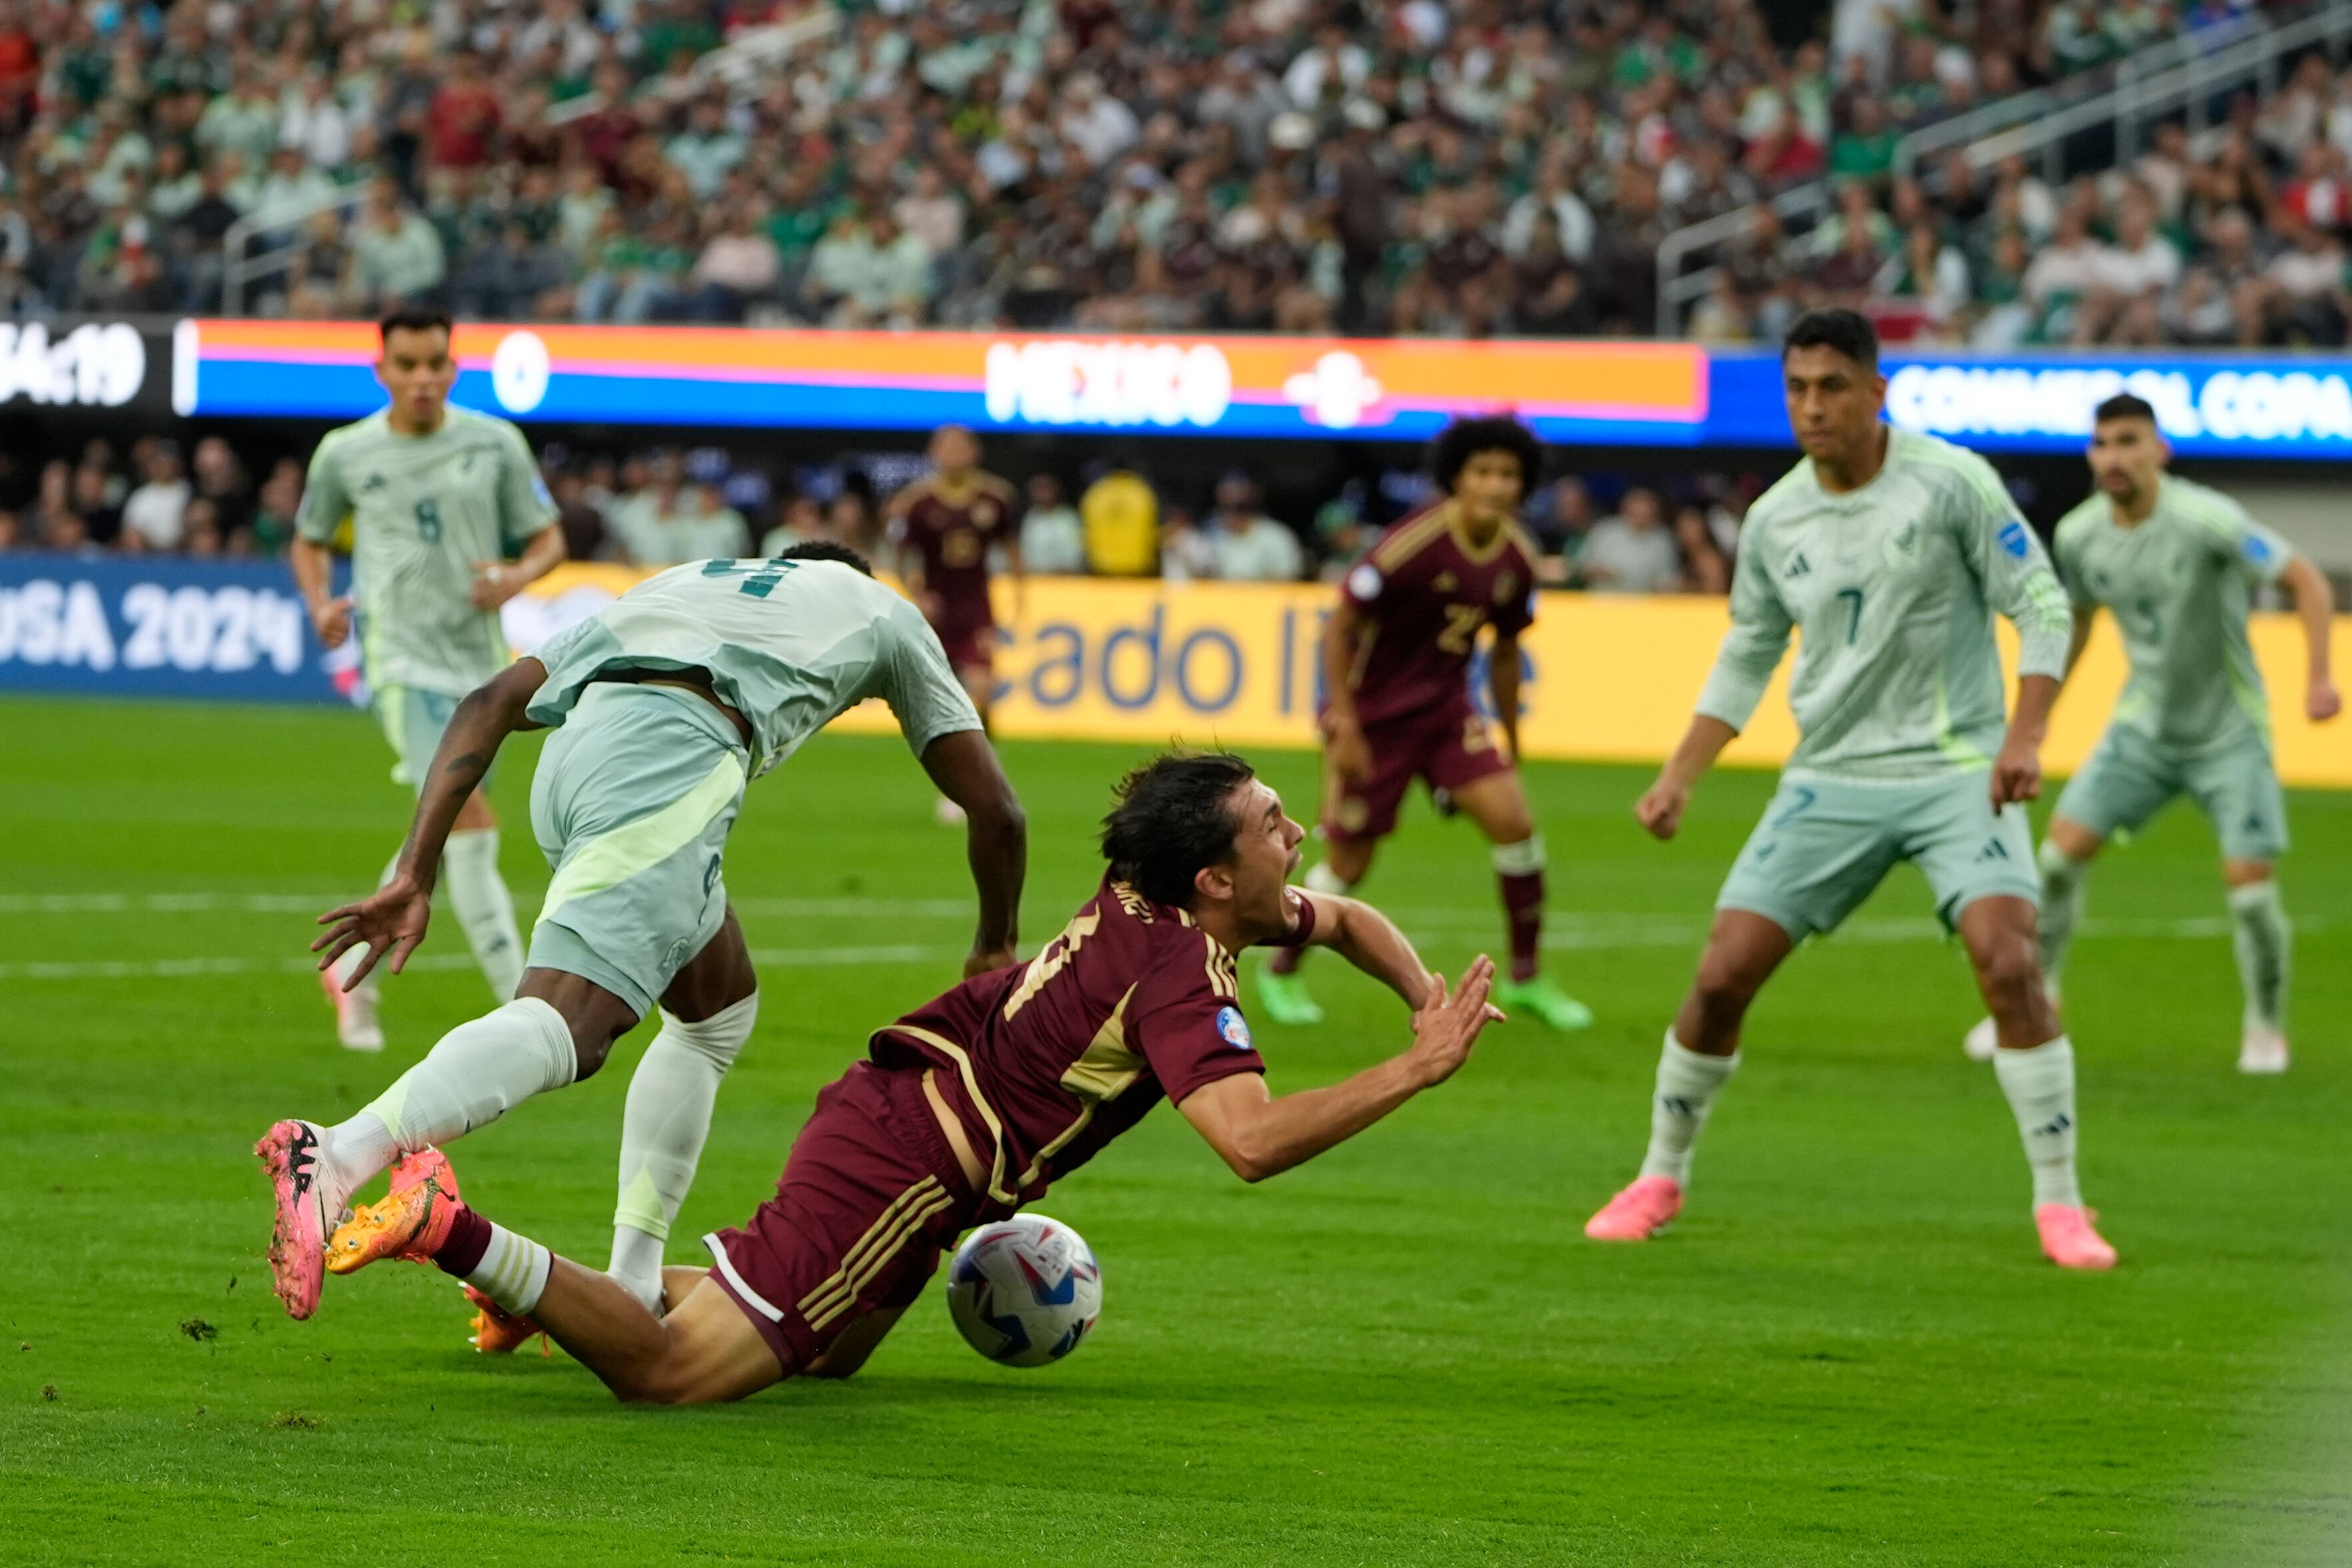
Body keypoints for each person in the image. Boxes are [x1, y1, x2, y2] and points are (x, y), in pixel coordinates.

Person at [312, 751, 1500, 1402]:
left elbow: (1336, 918)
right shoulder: (1184, 976)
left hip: (913, 1106)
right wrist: (1416, 1064)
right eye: (1273, 822)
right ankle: (450, 1224)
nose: (1293, 836)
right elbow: (1250, 1140)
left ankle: (551, 1295)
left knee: (825, 1349)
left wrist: (1417, 992)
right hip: (909, 1162)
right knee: (677, 1379)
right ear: (1211, 879)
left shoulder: (1177, 894)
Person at [259, 544, 1028, 1327]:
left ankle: (630, 1280)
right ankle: (340, 1151)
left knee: (716, 1010)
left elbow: (487, 702)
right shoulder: (884, 613)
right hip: (672, 761)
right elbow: (999, 813)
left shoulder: (685, 581)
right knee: (572, 1026)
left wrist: (414, 874)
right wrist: (992, 947)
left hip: (572, 763)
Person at [1583, 309, 2115, 1269]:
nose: (1811, 406)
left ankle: (2062, 1205)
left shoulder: (1950, 482)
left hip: (1957, 771)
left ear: (1877, 391)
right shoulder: (1775, 516)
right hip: (1829, 775)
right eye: (1797, 388)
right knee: (1718, 976)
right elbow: (1746, 650)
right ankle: (1660, 1173)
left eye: (1832, 386)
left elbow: (2040, 602)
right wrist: (1678, 774)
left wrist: (2025, 736)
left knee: (2008, 961)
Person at [1961, 394, 2339, 1073]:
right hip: (2143, 730)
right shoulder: (2080, 535)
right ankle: (2033, 1005)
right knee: (2056, 862)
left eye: (2128, 441)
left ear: (2158, 452)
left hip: (2229, 734)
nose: (2113, 456)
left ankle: (2265, 1028)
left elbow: (2306, 581)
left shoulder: (2207, 520)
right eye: (2102, 444)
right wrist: (2038, 719)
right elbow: (2076, 623)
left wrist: (2319, 678)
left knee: (2251, 895)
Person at [289, 307, 569, 1052]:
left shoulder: (494, 444)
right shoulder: (346, 453)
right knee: (470, 819)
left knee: (439, 827)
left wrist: (517, 575)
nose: (421, 378)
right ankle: (525, 1006)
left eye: (434, 363)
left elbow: (551, 539)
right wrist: (321, 603)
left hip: (478, 666)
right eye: (406, 364)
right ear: (382, 370)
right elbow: (310, 539)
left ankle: (352, 966)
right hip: (401, 662)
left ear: (453, 368)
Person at [1258, 416, 1593, 1033]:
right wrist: (1345, 724)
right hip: (1377, 721)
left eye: (1507, 475)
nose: (1495, 486)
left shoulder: (1517, 555)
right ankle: (1281, 972)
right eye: (1482, 472)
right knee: (1350, 865)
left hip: (1447, 718)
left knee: (1516, 826)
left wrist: (1511, 743)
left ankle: (1526, 979)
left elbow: (1505, 651)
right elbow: (1340, 628)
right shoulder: (1410, 545)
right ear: (1456, 479)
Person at [886, 426, 1023, 823]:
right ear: (935, 453)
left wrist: (1018, 594)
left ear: (974, 452)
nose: (955, 455)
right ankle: (955, 785)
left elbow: (1011, 548)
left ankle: (984, 770)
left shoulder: (994, 497)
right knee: (941, 701)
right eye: (947, 448)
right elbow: (900, 554)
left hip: (976, 610)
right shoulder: (917, 502)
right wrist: (916, 595)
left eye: (962, 447)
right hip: (937, 614)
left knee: (980, 693)